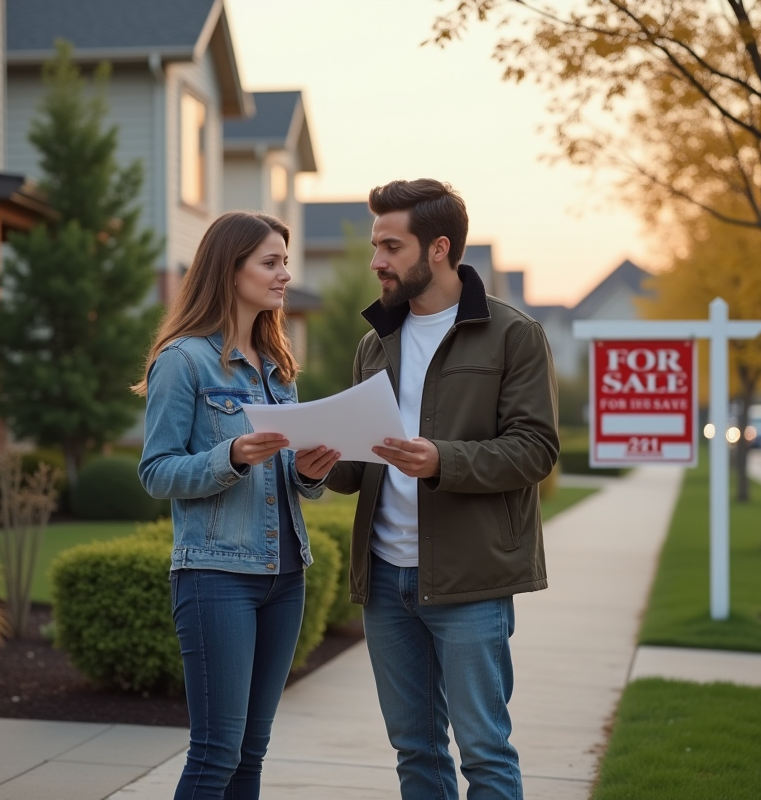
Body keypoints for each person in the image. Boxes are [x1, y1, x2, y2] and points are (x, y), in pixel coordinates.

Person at [325, 179, 559, 799]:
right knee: (415, 751)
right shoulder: (375, 344)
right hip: (384, 577)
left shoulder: (514, 335)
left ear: (438, 248)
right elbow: (360, 464)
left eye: (390, 246)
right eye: (376, 245)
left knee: (484, 752)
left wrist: (440, 461)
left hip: (470, 580)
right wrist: (317, 461)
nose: (376, 260)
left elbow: (536, 449)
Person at [135, 211, 340, 799]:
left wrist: (307, 472)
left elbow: (285, 478)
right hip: (217, 575)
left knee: (251, 754)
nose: (284, 275)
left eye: (284, 261)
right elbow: (155, 471)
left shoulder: (277, 365)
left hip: (285, 576)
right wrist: (233, 455)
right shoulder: (183, 360)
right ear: (231, 270)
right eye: (270, 262)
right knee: (216, 753)